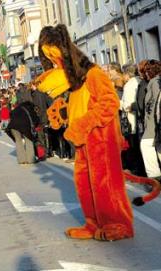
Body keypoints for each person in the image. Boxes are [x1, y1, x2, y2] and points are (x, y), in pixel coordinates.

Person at [36, 24, 134, 241]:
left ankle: (119, 224)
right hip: (83, 144)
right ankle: (93, 223)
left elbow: (109, 103)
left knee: (105, 184)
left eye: (54, 57)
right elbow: (81, 105)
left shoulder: (94, 74)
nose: (53, 63)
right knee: (84, 185)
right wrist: (63, 113)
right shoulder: (76, 83)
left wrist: (80, 126)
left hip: (100, 139)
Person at [141, 60, 161, 179]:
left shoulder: (154, 83)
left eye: (147, 71)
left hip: (153, 123)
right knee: (157, 147)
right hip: (153, 122)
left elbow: (153, 104)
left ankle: (155, 177)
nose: (145, 73)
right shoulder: (154, 82)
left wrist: (151, 122)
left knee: (146, 145)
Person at [120, 64, 141, 174]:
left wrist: (117, 103)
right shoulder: (138, 81)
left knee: (133, 145)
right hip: (138, 117)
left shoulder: (128, 85)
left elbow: (126, 105)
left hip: (131, 119)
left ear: (127, 74)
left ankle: (136, 168)